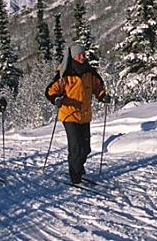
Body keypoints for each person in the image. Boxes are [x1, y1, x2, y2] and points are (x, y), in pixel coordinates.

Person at [45, 43, 111, 184]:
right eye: (79, 55)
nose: (82, 57)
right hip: (69, 114)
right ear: (73, 57)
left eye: (83, 54)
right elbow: (51, 91)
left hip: (85, 115)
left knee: (86, 148)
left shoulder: (89, 72)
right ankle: (75, 176)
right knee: (75, 147)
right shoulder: (65, 74)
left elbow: (98, 87)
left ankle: (79, 167)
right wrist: (56, 99)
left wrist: (102, 96)